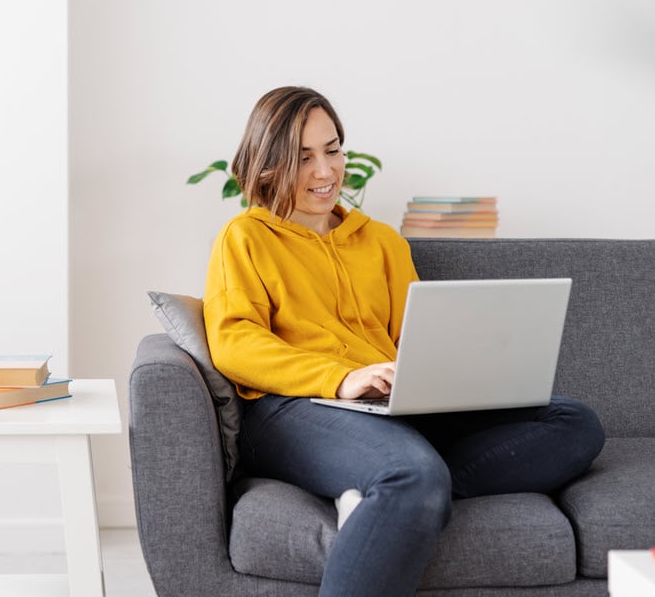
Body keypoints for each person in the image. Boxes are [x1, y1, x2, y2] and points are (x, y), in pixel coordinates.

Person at [203, 86, 605, 597]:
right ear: (269, 163)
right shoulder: (245, 238)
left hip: (389, 406)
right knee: (411, 473)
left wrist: (446, 380)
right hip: (294, 407)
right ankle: (403, 485)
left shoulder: (382, 242)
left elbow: (407, 339)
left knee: (573, 421)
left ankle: (388, 496)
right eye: (304, 158)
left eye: (332, 150)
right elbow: (234, 342)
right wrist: (342, 378)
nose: (325, 172)